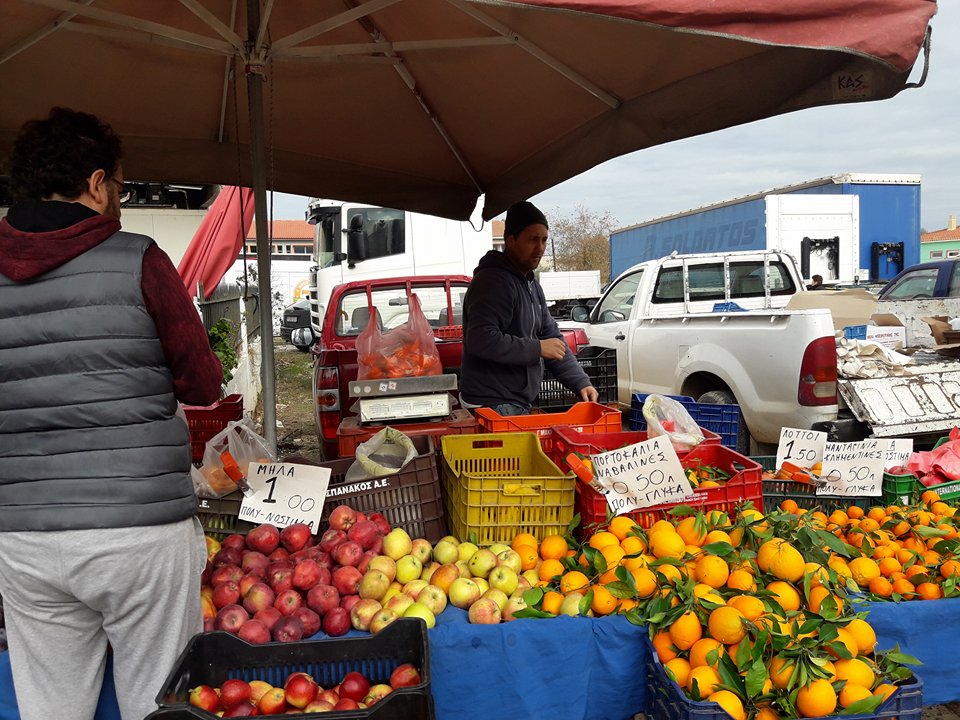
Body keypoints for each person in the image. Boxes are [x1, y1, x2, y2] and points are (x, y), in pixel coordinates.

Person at [0, 108, 223, 720]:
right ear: (97, 183)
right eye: (121, 187)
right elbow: (203, 383)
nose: (120, 202)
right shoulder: (139, 259)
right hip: (140, 531)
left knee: (51, 708)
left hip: (23, 535)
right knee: (159, 702)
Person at [460, 200, 598, 415]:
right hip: (493, 403)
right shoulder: (493, 282)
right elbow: (481, 338)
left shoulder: (531, 285)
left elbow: (552, 340)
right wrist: (537, 348)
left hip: (514, 401)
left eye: (544, 240)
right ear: (511, 240)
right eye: (533, 240)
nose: (540, 248)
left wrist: (581, 382)